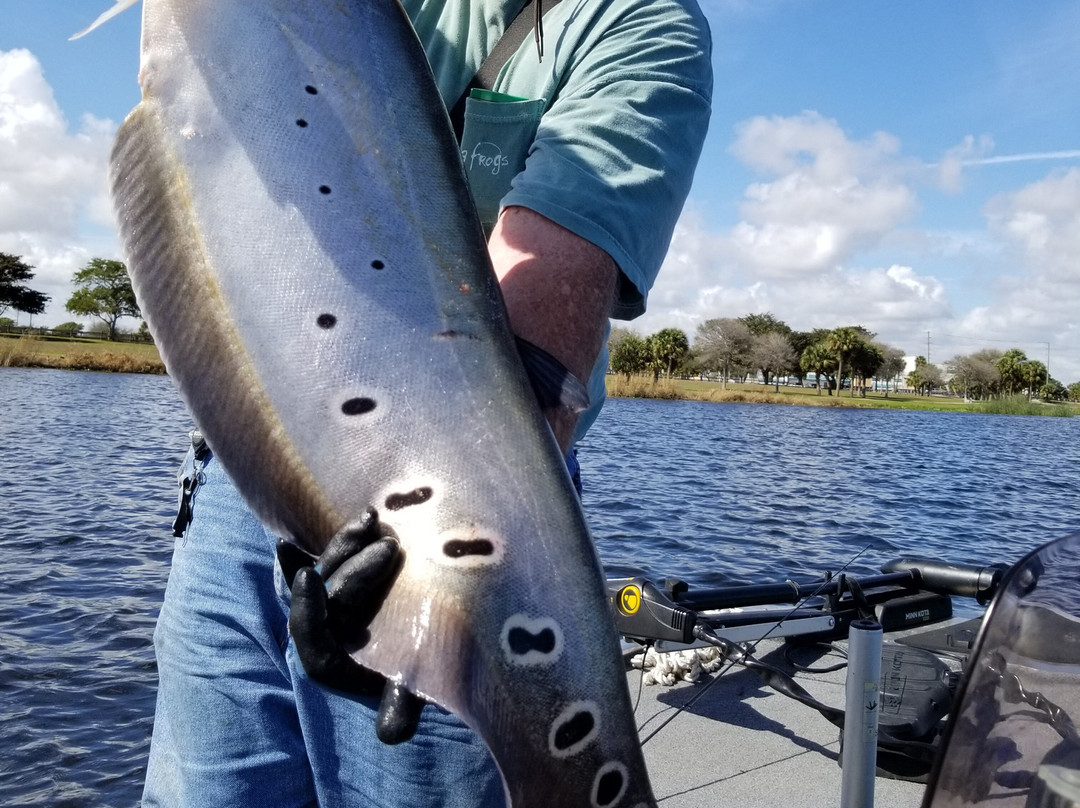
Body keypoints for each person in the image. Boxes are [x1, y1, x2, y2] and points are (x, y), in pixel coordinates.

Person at [141, 0, 712, 804]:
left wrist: (442, 583)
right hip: (232, 494)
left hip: (458, 529)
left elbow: (536, 352)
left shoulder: (638, 25)